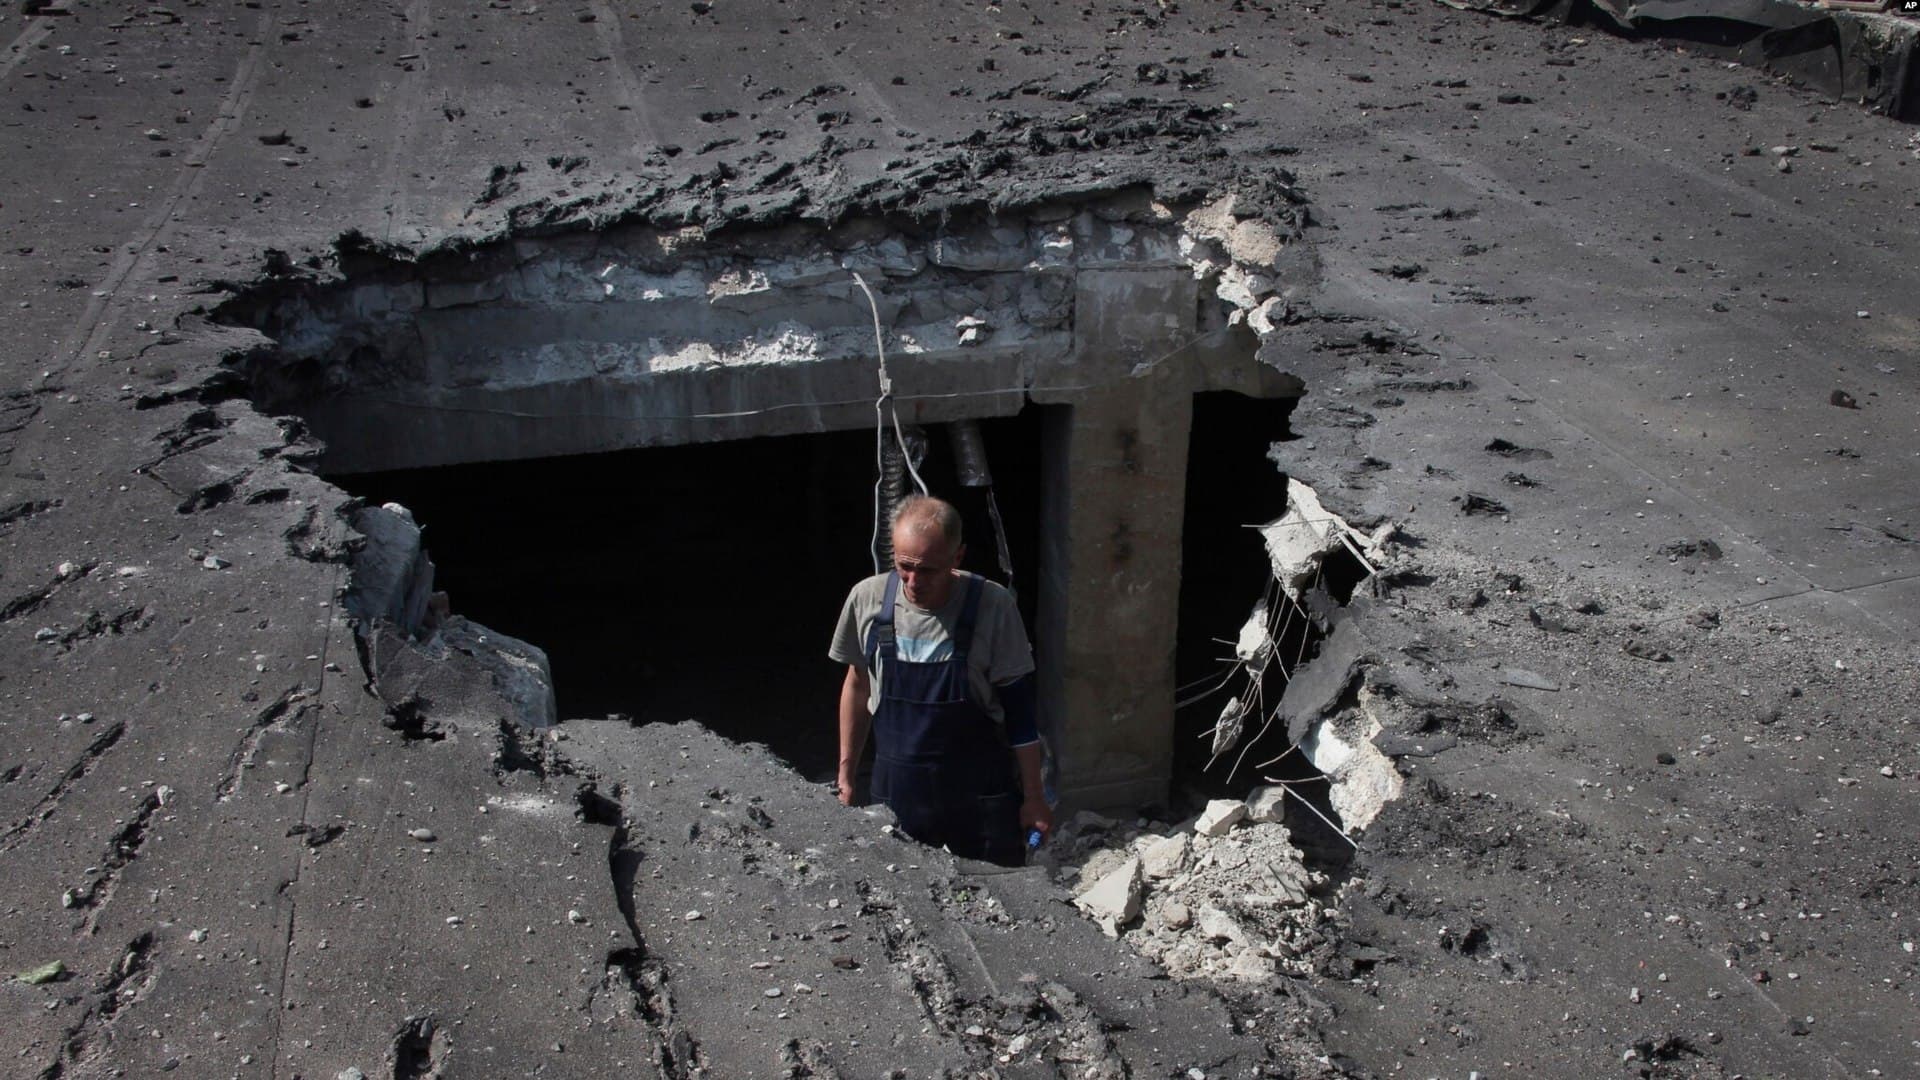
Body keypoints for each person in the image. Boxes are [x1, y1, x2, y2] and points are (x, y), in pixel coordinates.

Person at [828, 494, 1051, 866]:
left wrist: (1034, 798)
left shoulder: (992, 607)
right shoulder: (867, 600)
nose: (913, 581)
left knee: (998, 891)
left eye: (928, 570)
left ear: (957, 557)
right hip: (898, 791)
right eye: (904, 567)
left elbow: (1019, 712)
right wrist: (846, 776)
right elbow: (857, 685)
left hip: (980, 794)